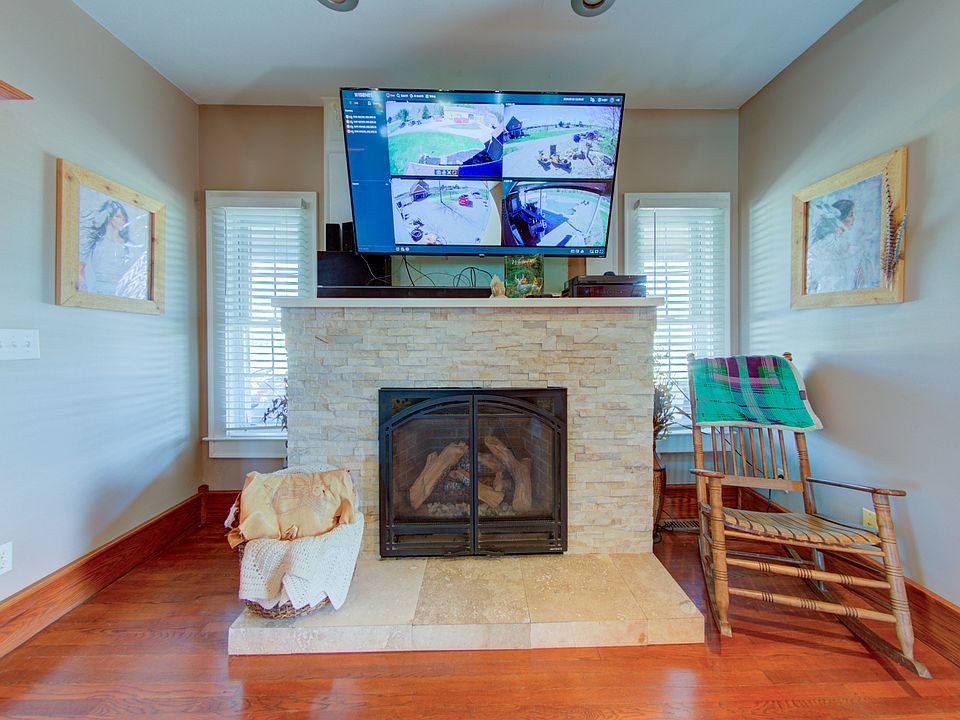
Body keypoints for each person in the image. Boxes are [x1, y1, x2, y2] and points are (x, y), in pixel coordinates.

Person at [78, 200, 147, 297]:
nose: (122, 221)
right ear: (109, 217)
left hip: (123, 293)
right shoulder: (96, 243)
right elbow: (80, 268)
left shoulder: (129, 246)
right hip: (99, 291)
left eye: (123, 218)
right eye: (118, 216)